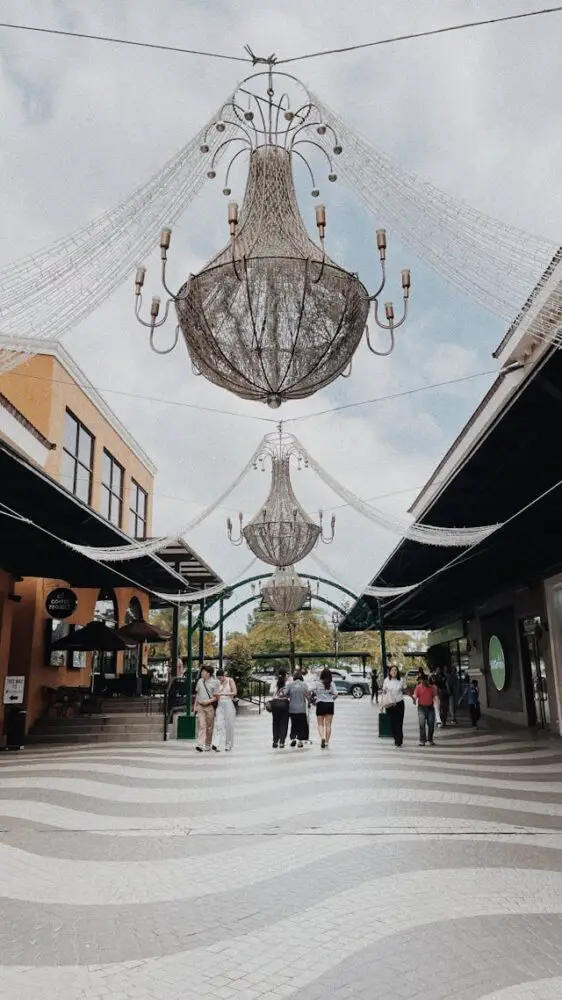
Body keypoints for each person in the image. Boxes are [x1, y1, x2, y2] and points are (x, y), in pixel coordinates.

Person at [212, 667, 237, 752]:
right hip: (220, 704)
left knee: (229, 725)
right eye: (218, 678)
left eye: (220, 678)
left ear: (224, 676)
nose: (219, 679)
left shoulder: (230, 680)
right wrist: (217, 693)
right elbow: (215, 693)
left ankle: (228, 745)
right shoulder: (217, 683)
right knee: (219, 724)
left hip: (229, 703)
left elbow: (234, 692)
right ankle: (216, 744)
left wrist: (223, 692)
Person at [194, 665, 219, 752]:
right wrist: (195, 706)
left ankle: (208, 744)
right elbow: (197, 694)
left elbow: (216, 697)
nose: (201, 673)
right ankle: (200, 745)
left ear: (208, 674)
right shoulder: (200, 681)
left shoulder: (215, 682)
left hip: (210, 707)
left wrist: (208, 701)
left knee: (209, 727)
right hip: (200, 706)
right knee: (202, 726)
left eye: (203, 672)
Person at [382, 665, 407, 747]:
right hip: (390, 704)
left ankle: (399, 741)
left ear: (397, 672)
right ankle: (395, 737)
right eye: (392, 670)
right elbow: (384, 691)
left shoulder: (401, 680)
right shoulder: (386, 680)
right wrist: (385, 692)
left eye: (395, 670)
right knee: (392, 723)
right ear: (389, 672)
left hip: (399, 703)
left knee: (399, 722)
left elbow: (404, 690)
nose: (394, 671)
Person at [314, 668, 338, 748]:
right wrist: (332, 699)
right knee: (328, 725)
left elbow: (309, 690)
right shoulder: (332, 684)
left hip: (320, 704)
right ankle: (327, 742)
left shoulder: (317, 683)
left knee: (320, 724)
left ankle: (322, 737)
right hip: (330, 704)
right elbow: (336, 694)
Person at [285, 671, 309, 748]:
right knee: (301, 725)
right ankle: (300, 741)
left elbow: (286, 694)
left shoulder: (290, 685)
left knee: (293, 724)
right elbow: (308, 695)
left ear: (294, 677)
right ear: (301, 678)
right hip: (302, 708)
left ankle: (293, 739)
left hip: (292, 708)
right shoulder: (305, 685)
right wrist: (309, 703)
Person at [413, 673, 438, 746]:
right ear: (421, 681)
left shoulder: (432, 688)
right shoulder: (418, 687)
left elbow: (435, 697)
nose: (424, 682)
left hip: (430, 708)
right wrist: (414, 699)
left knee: (431, 724)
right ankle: (422, 740)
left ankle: (430, 739)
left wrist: (437, 706)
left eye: (425, 680)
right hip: (421, 708)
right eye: (422, 681)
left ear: (427, 680)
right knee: (422, 724)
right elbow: (415, 696)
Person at [269, 670, 289, 749]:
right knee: (284, 722)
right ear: (285, 675)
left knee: (275, 722)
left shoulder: (274, 682)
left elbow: (270, 692)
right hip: (285, 703)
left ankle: (275, 741)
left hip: (275, 703)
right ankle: (282, 742)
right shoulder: (288, 683)